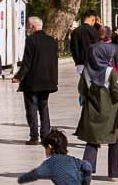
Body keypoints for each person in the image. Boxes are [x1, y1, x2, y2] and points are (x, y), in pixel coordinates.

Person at [76, 33, 118, 182]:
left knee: (92, 141)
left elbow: (82, 91)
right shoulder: (110, 72)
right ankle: (114, 173)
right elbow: (117, 93)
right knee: (114, 141)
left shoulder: (86, 71)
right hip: (110, 113)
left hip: (92, 112)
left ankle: (87, 170)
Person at [15, 16, 59, 145]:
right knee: (44, 108)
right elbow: (54, 62)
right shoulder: (52, 41)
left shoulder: (31, 40)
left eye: (28, 26)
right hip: (47, 81)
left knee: (31, 109)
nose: (27, 28)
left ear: (33, 27)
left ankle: (34, 136)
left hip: (33, 81)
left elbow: (27, 63)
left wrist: (18, 76)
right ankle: (45, 135)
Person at [18, 128, 94, 185]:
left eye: (45, 148)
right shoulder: (72, 160)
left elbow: (36, 173)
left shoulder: (49, 164)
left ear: (50, 147)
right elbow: (87, 166)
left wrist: (21, 178)